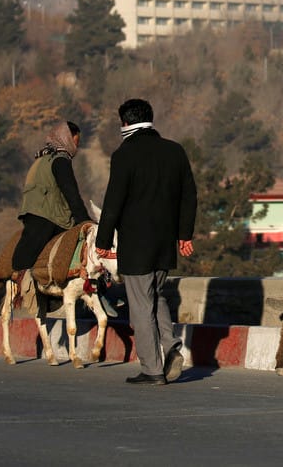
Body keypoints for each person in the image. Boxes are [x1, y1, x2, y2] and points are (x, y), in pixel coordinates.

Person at [95, 98, 197, 386]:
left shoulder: (124, 154)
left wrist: (103, 240)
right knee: (156, 295)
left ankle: (152, 369)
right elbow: (189, 195)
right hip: (165, 241)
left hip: (136, 243)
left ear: (125, 123)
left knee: (140, 304)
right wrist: (185, 234)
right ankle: (171, 346)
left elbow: (113, 201)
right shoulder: (174, 151)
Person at [13, 121, 115, 312]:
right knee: (86, 251)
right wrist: (84, 221)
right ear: (67, 138)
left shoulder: (41, 159)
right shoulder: (60, 160)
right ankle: (99, 294)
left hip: (33, 212)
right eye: (76, 140)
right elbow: (71, 194)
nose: (77, 145)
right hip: (52, 215)